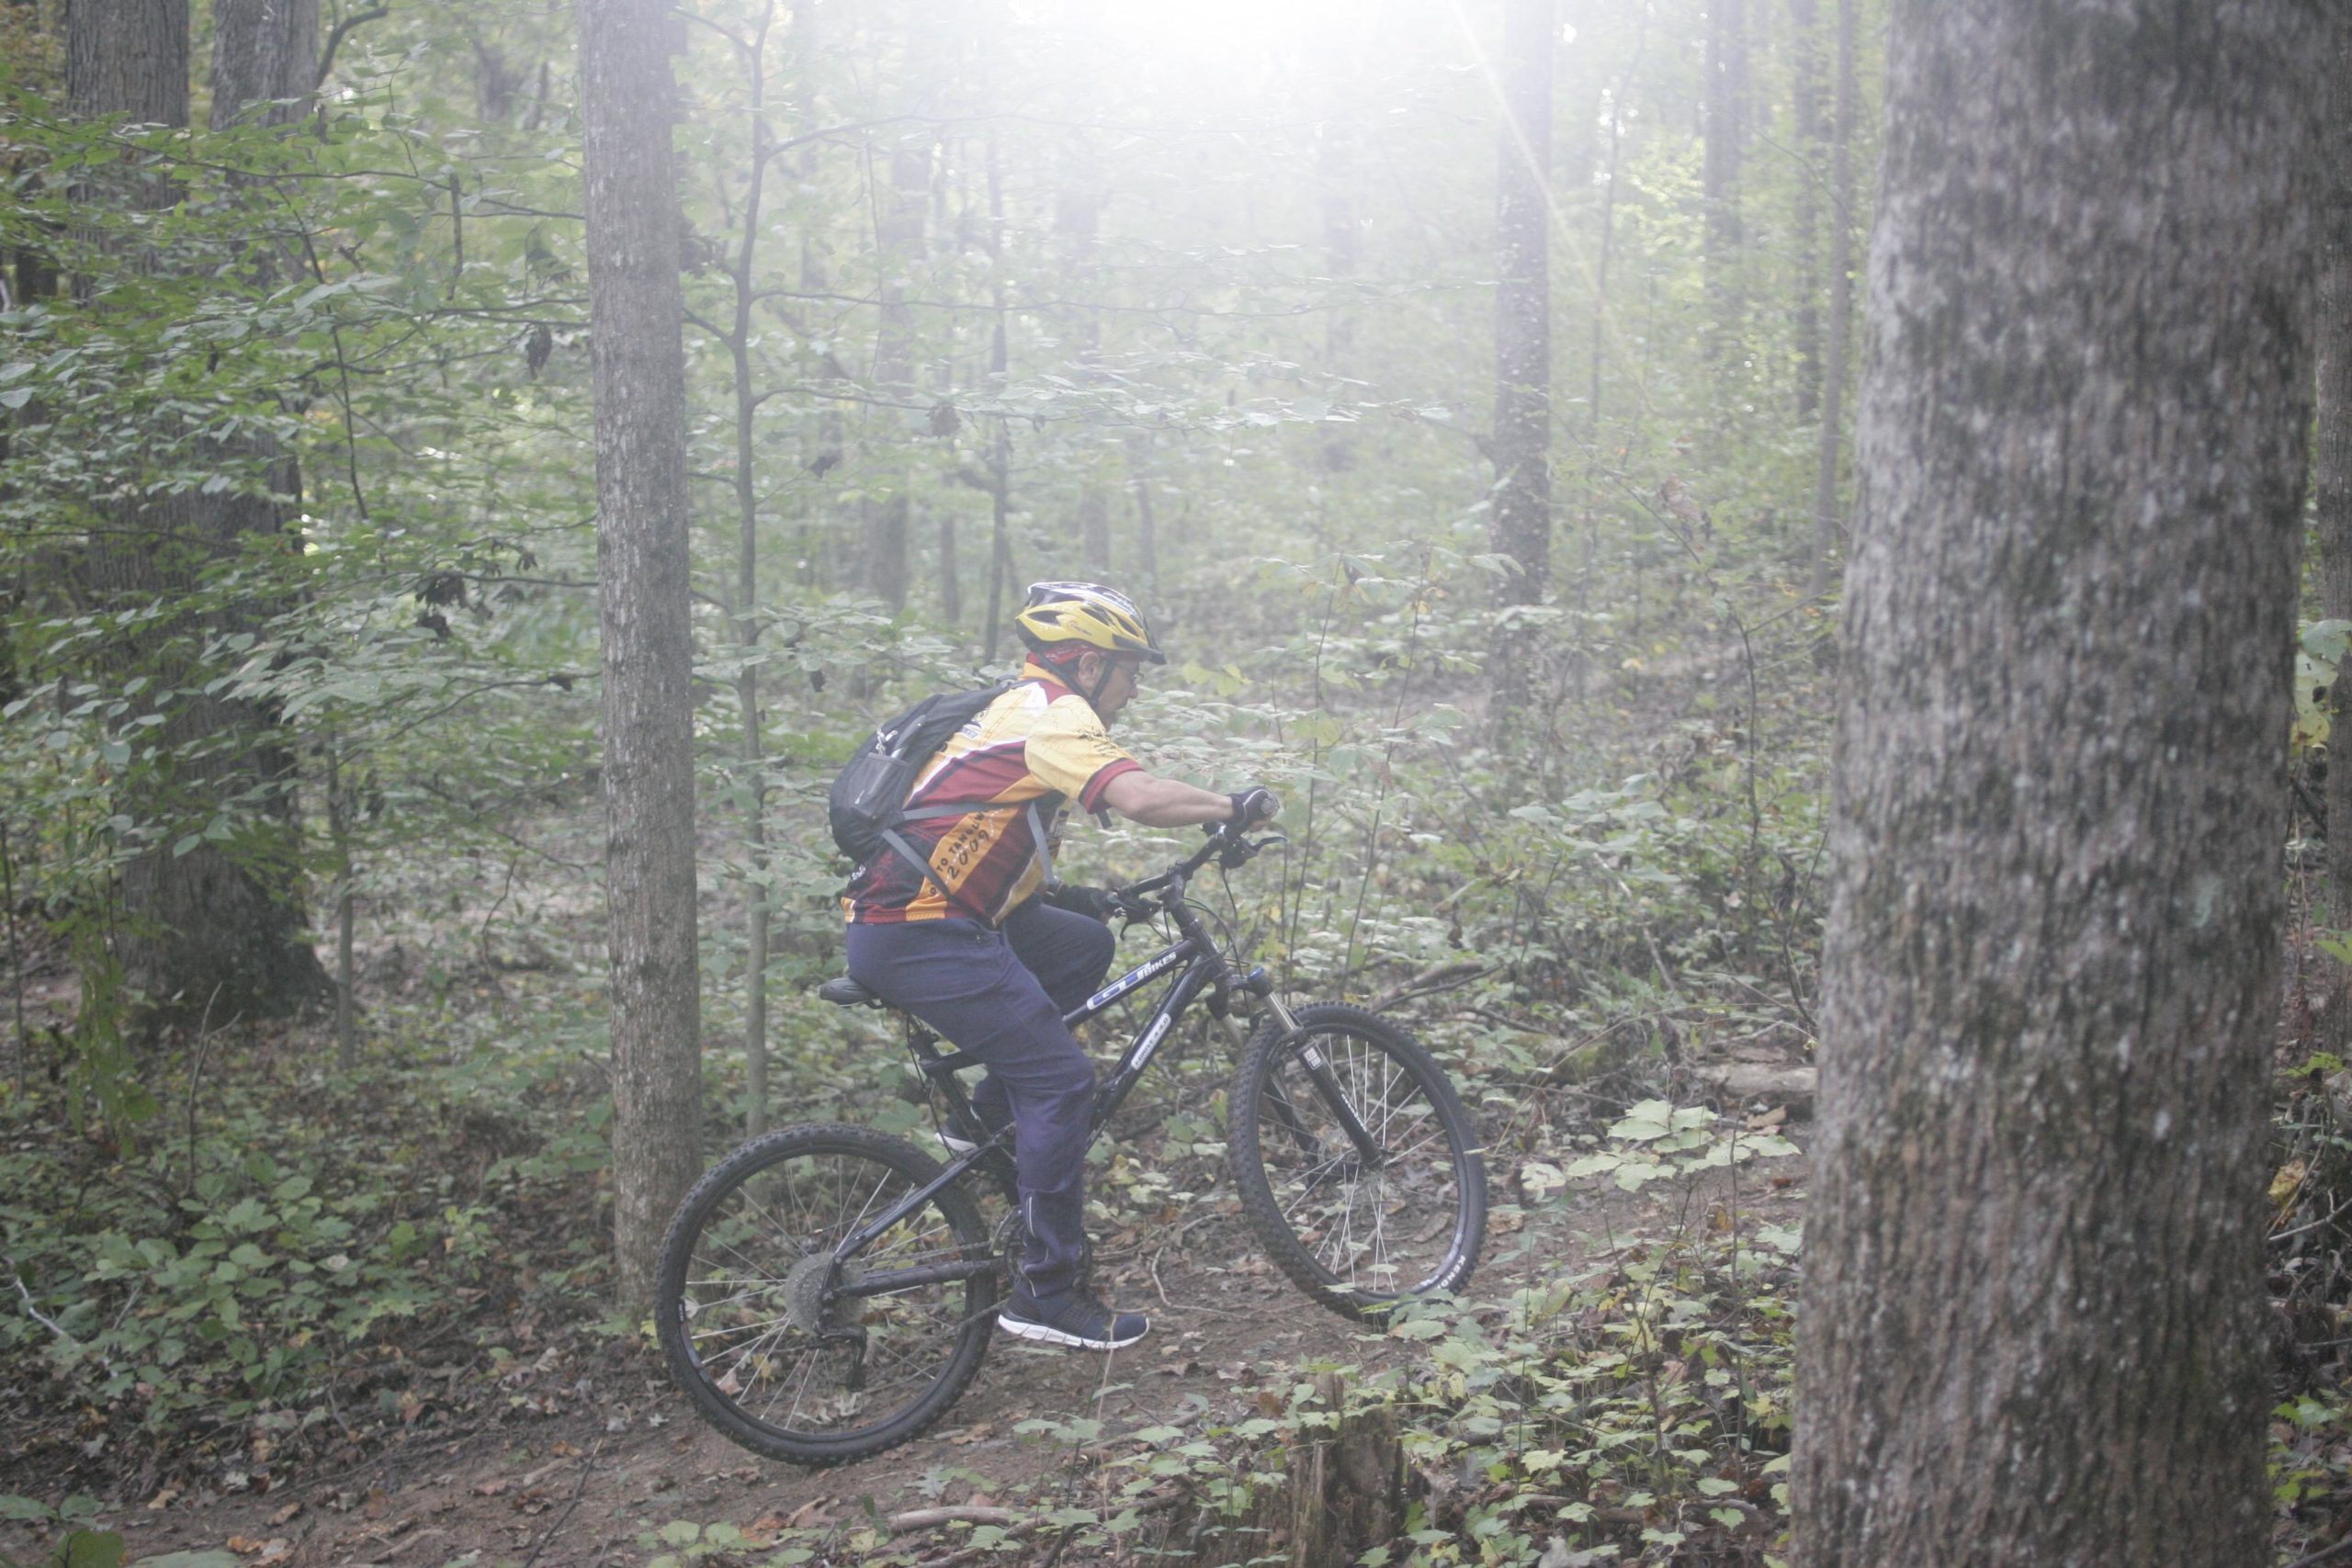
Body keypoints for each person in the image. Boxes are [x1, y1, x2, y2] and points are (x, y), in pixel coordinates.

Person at [842, 581, 1278, 1351]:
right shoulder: (1055, 713)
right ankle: (1046, 1291)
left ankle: (988, 1112)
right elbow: (1138, 796)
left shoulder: (1012, 709)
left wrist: (1083, 895)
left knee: (1082, 943)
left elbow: (970, 829)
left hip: (920, 918)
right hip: (923, 930)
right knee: (1063, 1081)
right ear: (1086, 664)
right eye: (1129, 669)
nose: (1136, 686)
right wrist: (1229, 806)